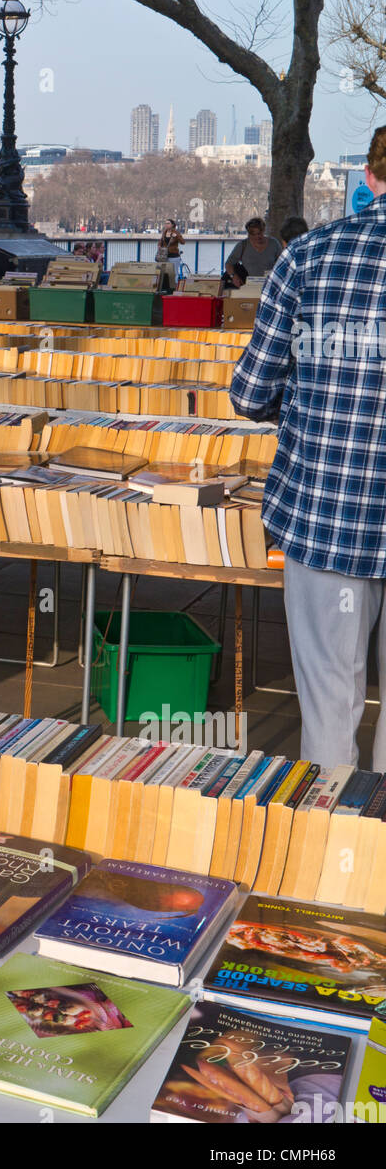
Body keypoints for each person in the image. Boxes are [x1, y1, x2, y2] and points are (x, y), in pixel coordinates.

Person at [229, 125, 386, 771]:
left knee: (328, 702)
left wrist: (309, 401)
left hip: (329, 510)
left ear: (371, 178)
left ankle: (333, 848)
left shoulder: (308, 257)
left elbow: (251, 390)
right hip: (340, 512)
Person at [225, 216, 283, 282]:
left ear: (263, 230)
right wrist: (234, 276)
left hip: (270, 283)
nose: (257, 237)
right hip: (247, 284)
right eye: (253, 234)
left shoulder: (274, 244)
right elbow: (229, 263)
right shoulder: (242, 245)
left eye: (259, 233)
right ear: (248, 233)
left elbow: (283, 264)